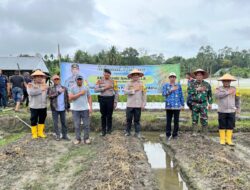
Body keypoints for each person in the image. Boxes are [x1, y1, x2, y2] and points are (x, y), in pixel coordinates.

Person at [215, 74, 240, 146]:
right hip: (222, 110)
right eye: (225, 81)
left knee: (230, 125)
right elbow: (217, 95)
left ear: (230, 82)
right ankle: (222, 139)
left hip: (231, 110)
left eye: (228, 81)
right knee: (222, 125)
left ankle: (229, 140)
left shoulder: (234, 89)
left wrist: (238, 108)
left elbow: (237, 99)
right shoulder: (218, 89)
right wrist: (228, 92)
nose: (226, 82)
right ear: (222, 82)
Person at [68, 75, 92, 145]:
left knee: (86, 125)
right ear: (76, 80)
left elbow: (89, 97)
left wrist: (90, 107)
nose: (79, 81)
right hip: (75, 110)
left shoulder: (86, 87)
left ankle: (86, 138)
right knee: (77, 125)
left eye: (80, 79)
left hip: (85, 109)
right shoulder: (72, 88)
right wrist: (80, 93)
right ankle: (78, 139)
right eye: (78, 80)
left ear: (82, 80)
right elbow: (70, 98)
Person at [188, 69, 213, 135]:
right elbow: (189, 92)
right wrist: (197, 89)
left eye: (200, 75)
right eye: (197, 75)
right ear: (195, 76)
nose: (199, 76)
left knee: (204, 119)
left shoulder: (207, 84)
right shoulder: (192, 84)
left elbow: (210, 95)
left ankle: (204, 133)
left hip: (203, 104)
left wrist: (210, 103)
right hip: (194, 104)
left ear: (203, 76)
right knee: (194, 118)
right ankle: (194, 132)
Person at [94, 69, 119, 136]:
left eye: (108, 73)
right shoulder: (99, 81)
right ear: (103, 73)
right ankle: (103, 131)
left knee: (109, 115)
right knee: (103, 115)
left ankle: (109, 130)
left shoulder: (114, 81)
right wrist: (104, 88)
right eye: (105, 73)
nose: (106, 74)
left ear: (110, 74)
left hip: (110, 99)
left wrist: (115, 102)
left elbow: (116, 92)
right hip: (102, 99)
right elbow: (95, 90)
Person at [124, 69, 147, 138]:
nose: (135, 76)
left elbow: (144, 94)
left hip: (138, 105)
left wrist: (144, 103)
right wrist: (133, 90)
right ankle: (128, 132)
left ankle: (137, 132)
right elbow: (125, 92)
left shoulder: (142, 84)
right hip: (130, 104)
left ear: (139, 76)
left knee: (137, 120)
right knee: (129, 119)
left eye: (137, 75)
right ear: (131, 76)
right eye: (134, 75)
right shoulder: (128, 83)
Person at [162, 72, 184, 140]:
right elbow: (163, 94)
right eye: (171, 77)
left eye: (173, 77)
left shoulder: (178, 85)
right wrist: (171, 90)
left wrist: (182, 104)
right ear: (169, 78)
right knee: (168, 120)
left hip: (177, 106)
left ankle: (175, 134)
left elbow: (181, 95)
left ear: (175, 78)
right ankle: (168, 134)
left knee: (176, 121)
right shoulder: (165, 85)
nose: (172, 78)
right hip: (169, 105)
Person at [48, 75, 70, 141]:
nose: (56, 80)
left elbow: (67, 98)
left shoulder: (64, 88)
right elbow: (50, 96)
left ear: (60, 80)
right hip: (55, 108)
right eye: (55, 79)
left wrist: (68, 107)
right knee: (55, 123)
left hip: (63, 108)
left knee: (64, 122)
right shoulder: (51, 88)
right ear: (53, 80)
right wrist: (58, 92)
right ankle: (58, 135)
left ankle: (64, 135)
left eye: (57, 79)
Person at [27, 70, 48, 139]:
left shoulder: (45, 85)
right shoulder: (30, 85)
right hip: (34, 106)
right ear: (34, 78)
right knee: (33, 120)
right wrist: (40, 90)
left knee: (42, 119)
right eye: (37, 77)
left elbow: (48, 94)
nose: (39, 78)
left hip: (43, 106)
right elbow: (31, 93)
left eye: (41, 77)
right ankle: (34, 133)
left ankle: (40, 133)